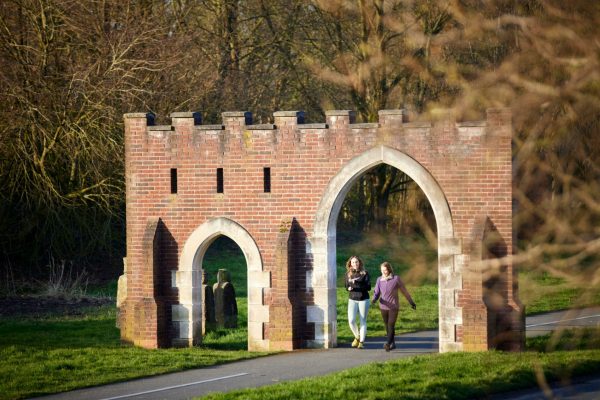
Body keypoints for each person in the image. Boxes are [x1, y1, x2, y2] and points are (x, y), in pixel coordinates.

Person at [372, 261, 416, 351]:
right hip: (383, 306)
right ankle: (393, 343)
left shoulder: (396, 279)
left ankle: (388, 344)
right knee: (387, 325)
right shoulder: (379, 280)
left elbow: (404, 291)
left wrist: (411, 302)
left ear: (389, 269)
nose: (384, 272)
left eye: (385, 270)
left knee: (391, 325)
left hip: (393, 306)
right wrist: (374, 300)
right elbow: (376, 292)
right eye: (382, 270)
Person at [345, 255, 371, 349]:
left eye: (356, 262)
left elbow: (368, 287)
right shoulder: (348, 274)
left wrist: (357, 284)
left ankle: (362, 342)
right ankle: (357, 337)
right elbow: (346, 286)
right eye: (353, 262)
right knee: (351, 321)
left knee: (362, 321)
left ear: (359, 263)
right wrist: (348, 288)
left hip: (363, 299)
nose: (355, 264)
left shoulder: (365, 273)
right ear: (350, 264)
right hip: (352, 299)